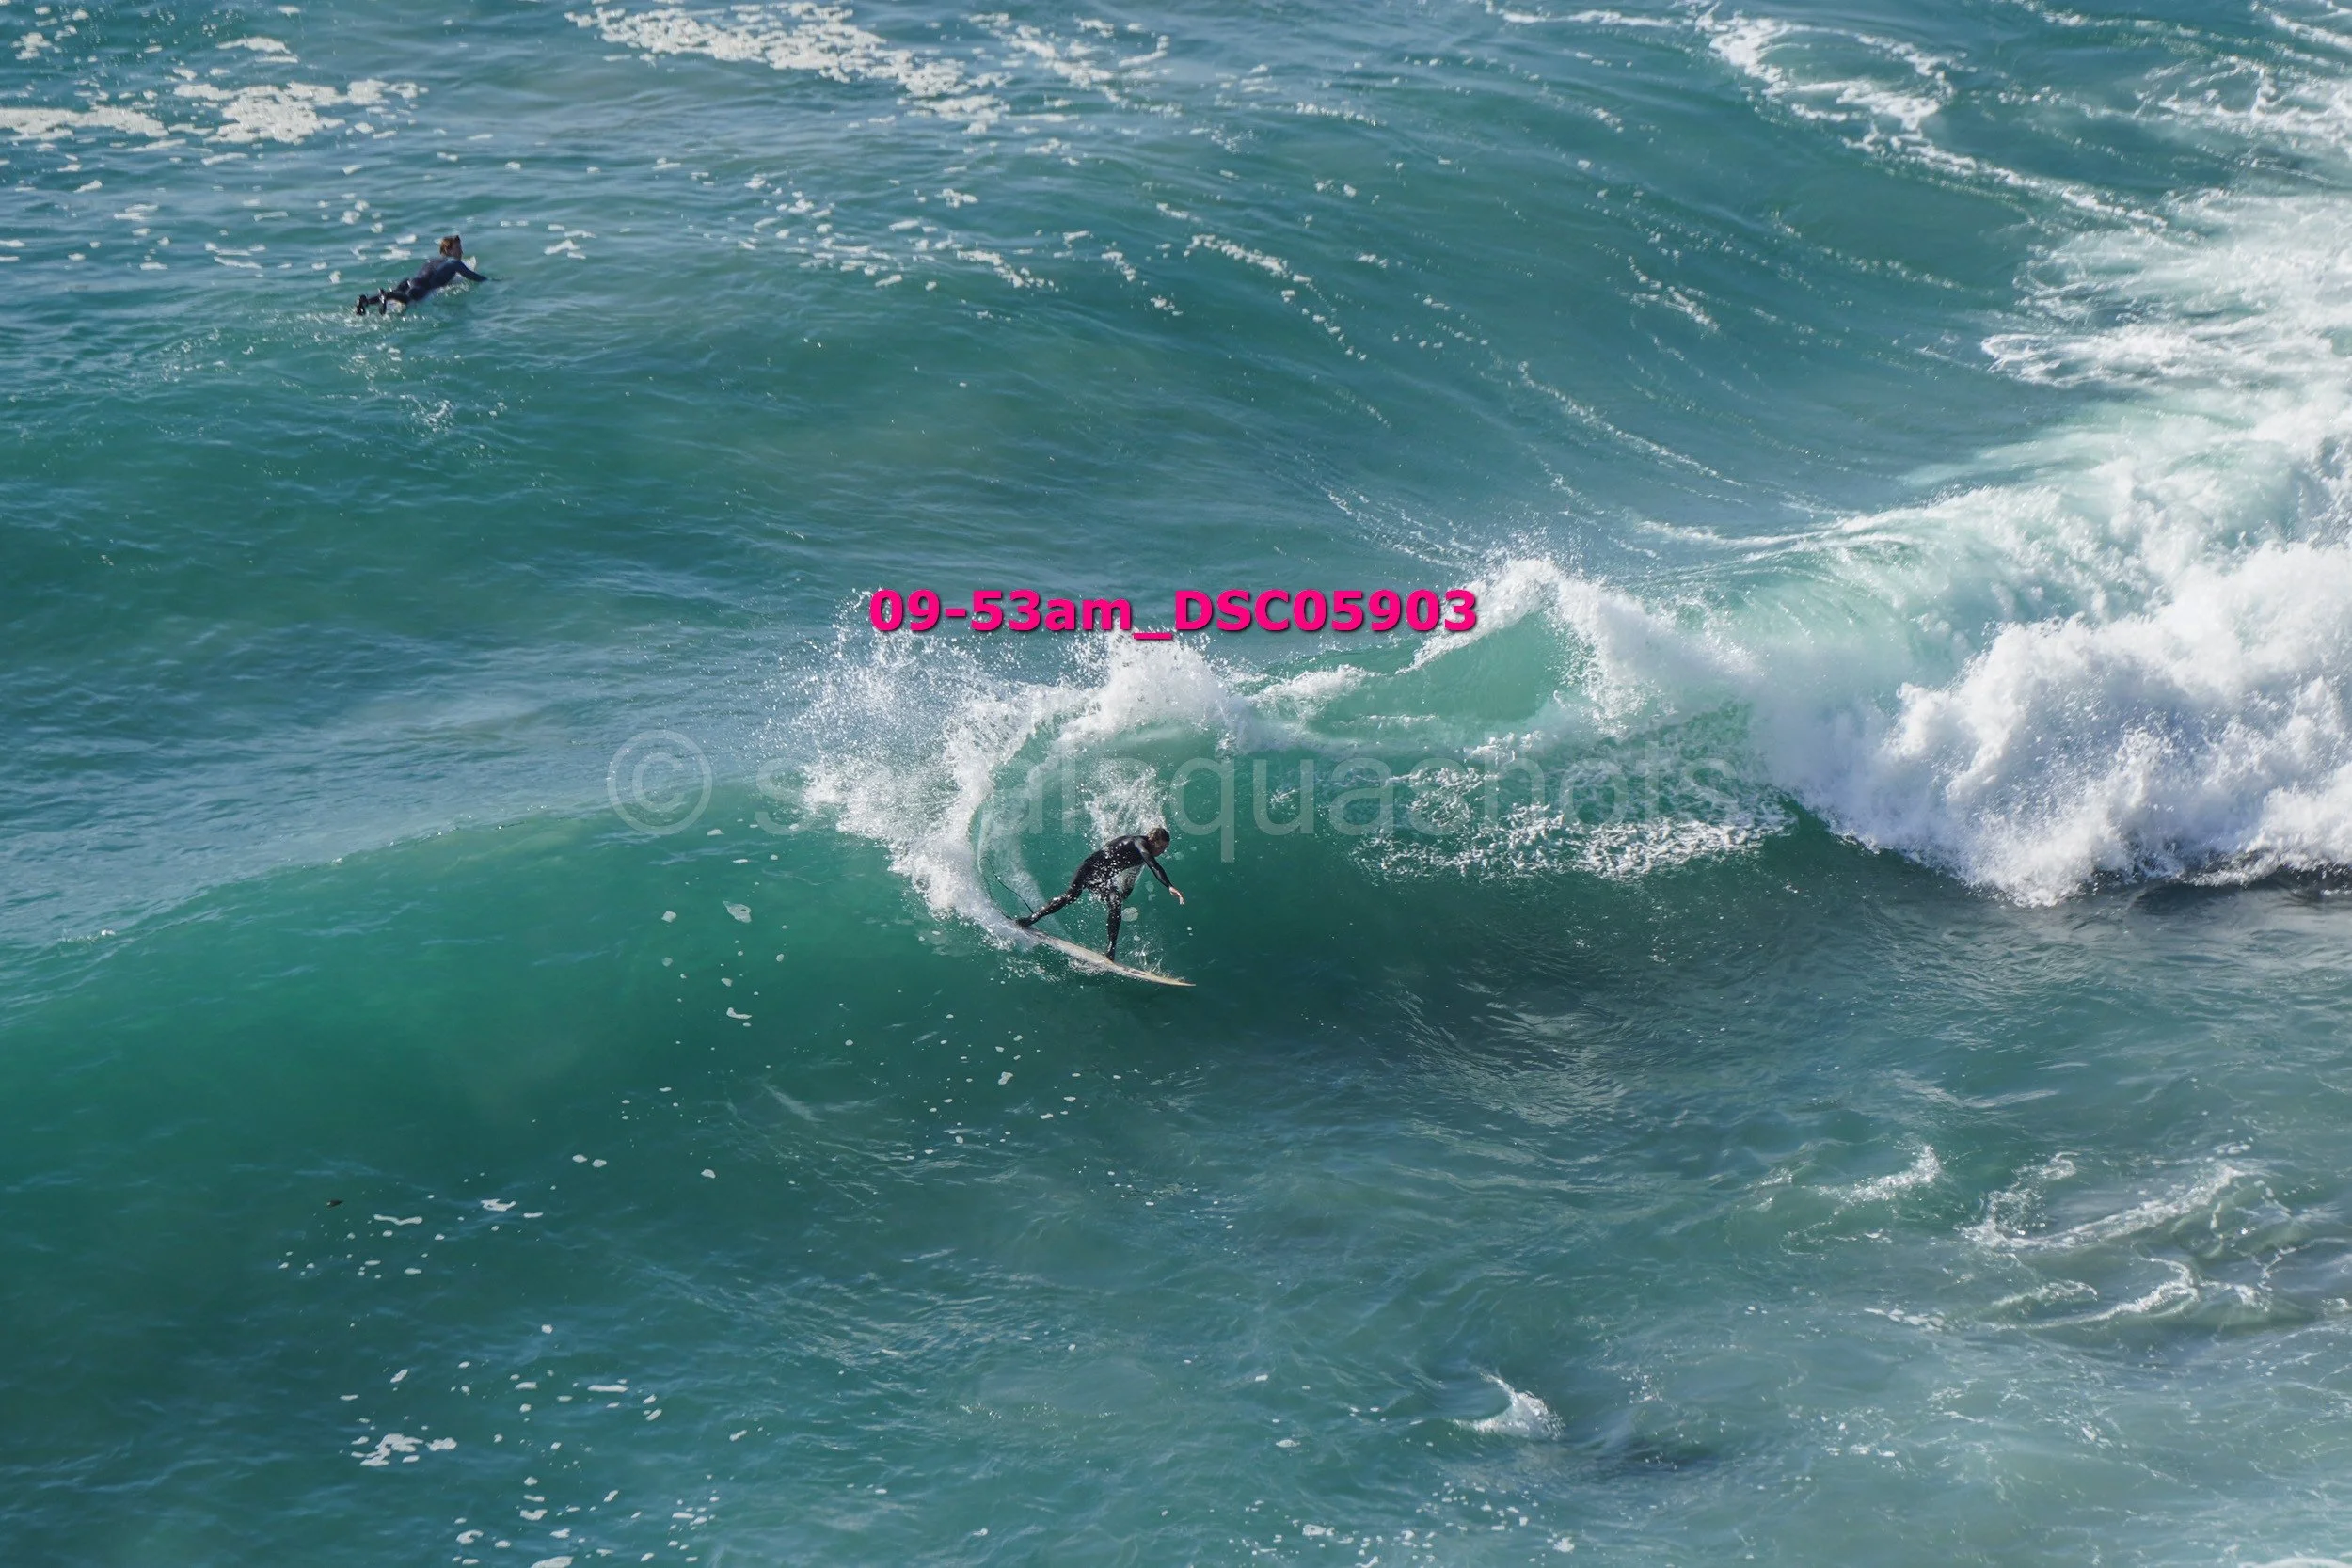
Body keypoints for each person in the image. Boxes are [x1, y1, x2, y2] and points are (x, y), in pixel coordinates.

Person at [1017, 826, 1184, 960]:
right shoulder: (1139, 844)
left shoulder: (1142, 853)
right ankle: (1031, 919)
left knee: (1115, 902)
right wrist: (1169, 886)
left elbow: (1134, 873)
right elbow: (1153, 865)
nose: (1163, 851)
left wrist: (1126, 890)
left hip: (1102, 879)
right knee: (1071, 896)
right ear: (1152, 840)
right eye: (1161, 847)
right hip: (1088, 869)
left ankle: (1111, 950)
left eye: (1165, 848)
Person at [356, 234, 487, 315]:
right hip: (423, 286)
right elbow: (476, 278)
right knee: (408, 300)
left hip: (409, 281)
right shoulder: (454, 263)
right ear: (447, 250)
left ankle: (366, 301)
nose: (461, 252)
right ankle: (387, 295)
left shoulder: (432, 261)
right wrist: (493, 281)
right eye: (458, 249)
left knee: (400, 294)